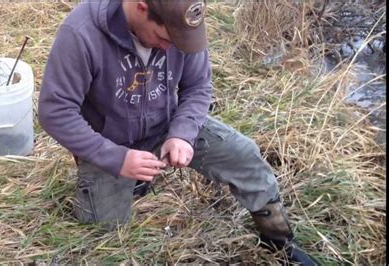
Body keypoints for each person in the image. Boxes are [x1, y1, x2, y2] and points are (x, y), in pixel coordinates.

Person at [38, 0, 318, 264]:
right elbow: (55, 111)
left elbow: (197, 86)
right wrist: (114, 157)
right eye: (165, 38)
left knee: (243, 155)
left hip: (166, 122)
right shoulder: (81, 33)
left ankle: (279, 243)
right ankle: (132, 183)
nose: (171, 47)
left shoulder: (185, 25)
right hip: (110, 141)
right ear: (141, 7)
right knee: (103, 236)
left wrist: (182, 133)